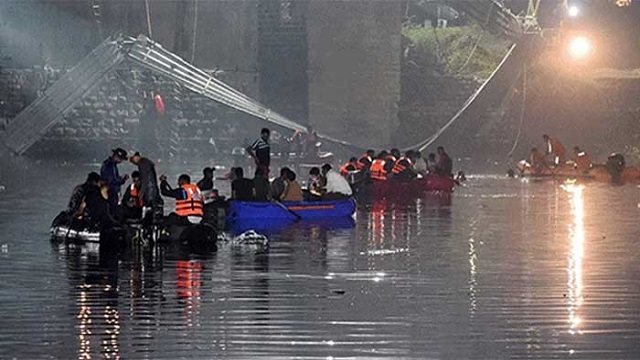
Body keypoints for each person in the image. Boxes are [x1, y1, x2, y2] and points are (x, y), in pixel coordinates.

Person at [129, 152, 163, 220]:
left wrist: (140, 194)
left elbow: (144, 180)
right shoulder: (147, 163)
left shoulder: (142, 164)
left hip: (149, 191)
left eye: (133, 160)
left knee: (149, 209)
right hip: (153, 190)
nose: (134, 162)